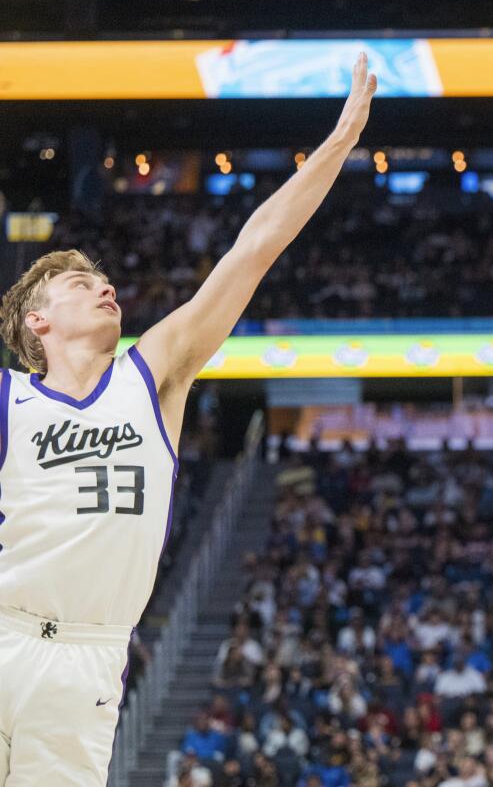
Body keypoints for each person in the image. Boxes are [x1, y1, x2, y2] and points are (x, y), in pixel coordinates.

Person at [0, 54, 377, 785]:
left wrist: (338, 142)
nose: (105, 287)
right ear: (36, 322)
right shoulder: (9, 397)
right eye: (82, 284)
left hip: (87, 657)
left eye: (105, 279)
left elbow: (254, 248)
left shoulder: (153, 372)